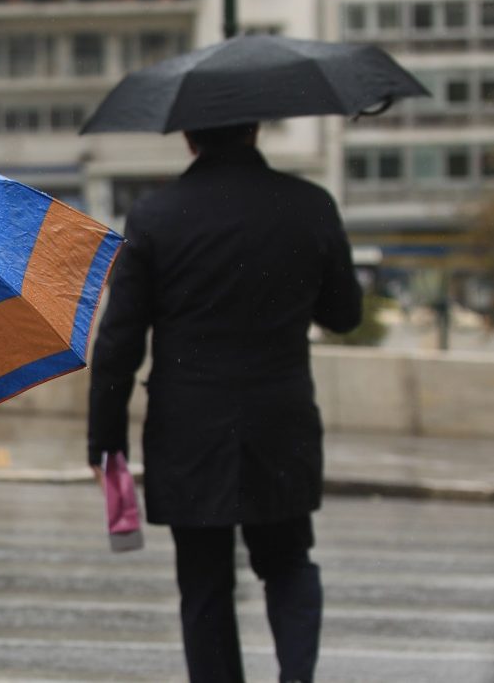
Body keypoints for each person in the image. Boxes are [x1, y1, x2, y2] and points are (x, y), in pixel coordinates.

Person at [87, 123, 362, 683]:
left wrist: (106, 445)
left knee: (205, 583)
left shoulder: (156, 216)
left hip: (189, 429)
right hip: (281, 421)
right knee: (288, 561)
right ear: (255, 129)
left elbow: (119, 343)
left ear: (189, 136)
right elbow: (344, 314)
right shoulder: (309, 204)